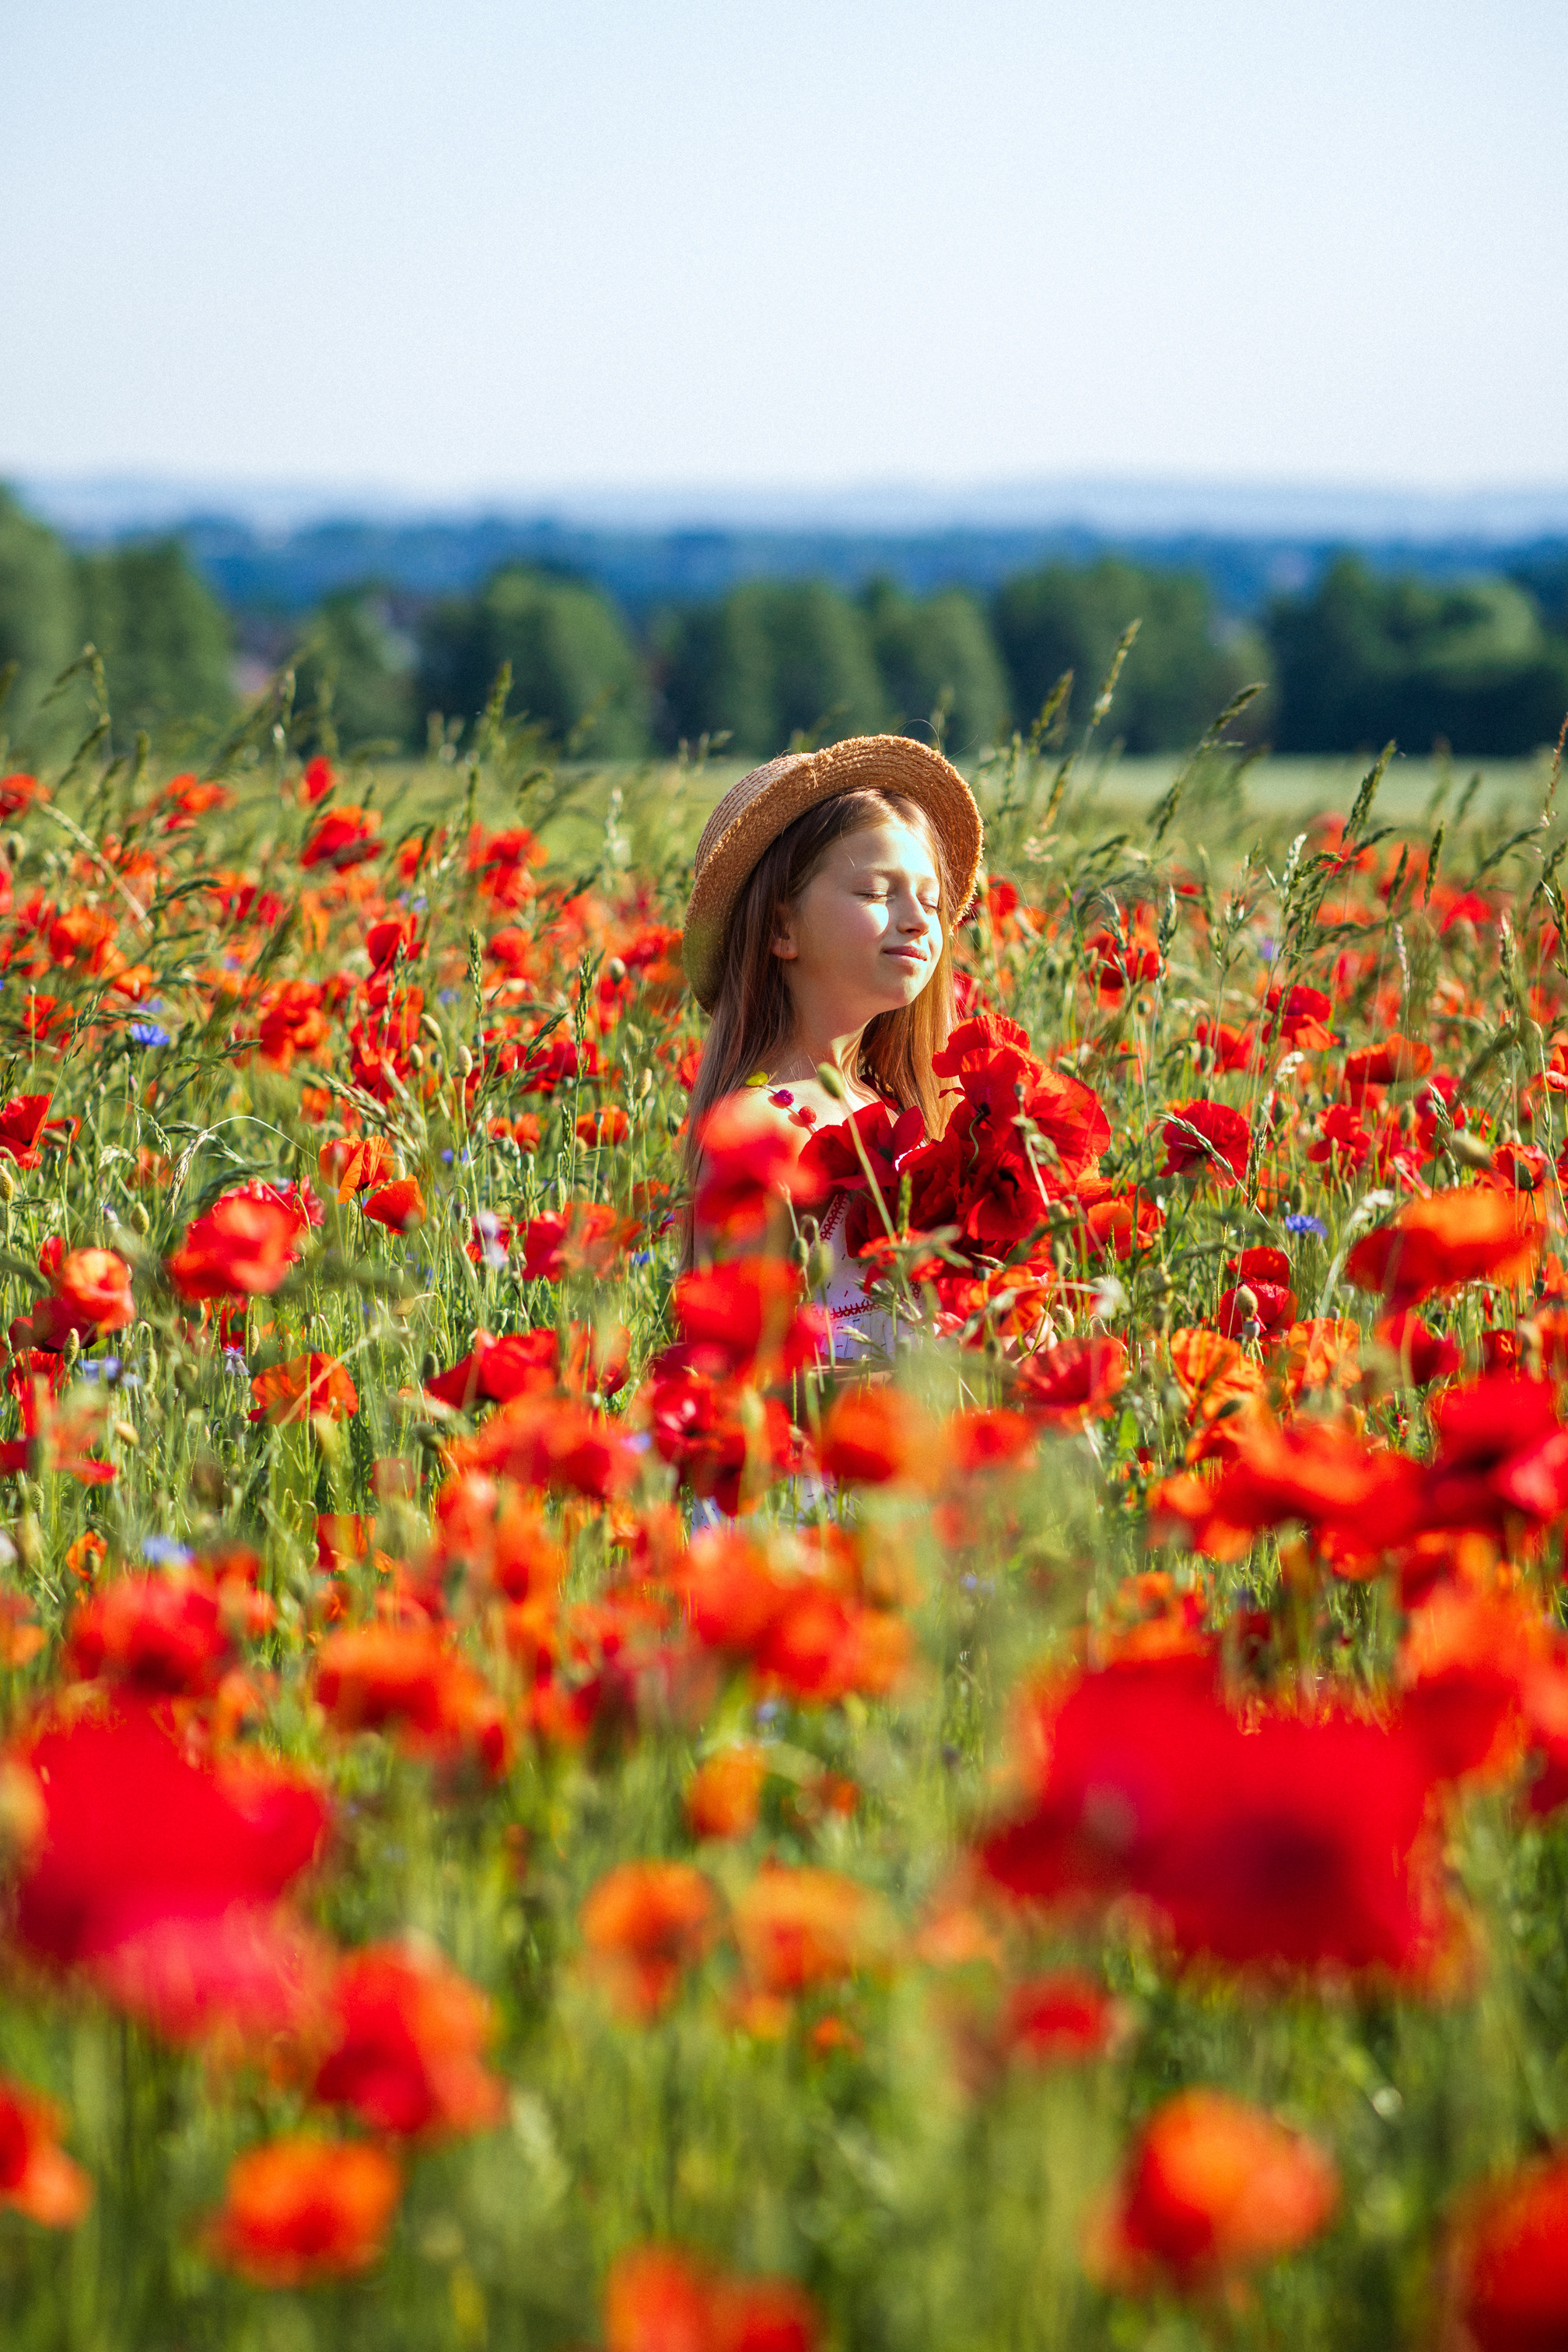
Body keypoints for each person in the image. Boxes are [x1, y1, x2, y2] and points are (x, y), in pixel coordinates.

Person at [682, 734, 984, 1360]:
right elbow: (737, 1361)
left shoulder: (911, 1110)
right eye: (877, 892)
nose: (918, 919)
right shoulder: (758, 1127)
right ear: (781, 927)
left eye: (930, 900)